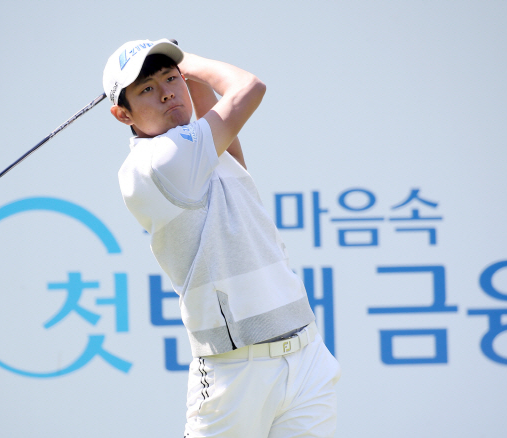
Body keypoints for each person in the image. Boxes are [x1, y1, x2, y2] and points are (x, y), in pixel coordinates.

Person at [103, 38, 341, 438]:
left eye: (171, 79)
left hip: (305, 355)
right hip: (234, 371)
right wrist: (189, 62)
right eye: (147, 88)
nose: (167, 93)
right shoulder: (156, 162)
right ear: (121, 114)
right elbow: (249, 87)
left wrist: (188, 76)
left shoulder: (200, 148)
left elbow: (224, 138)